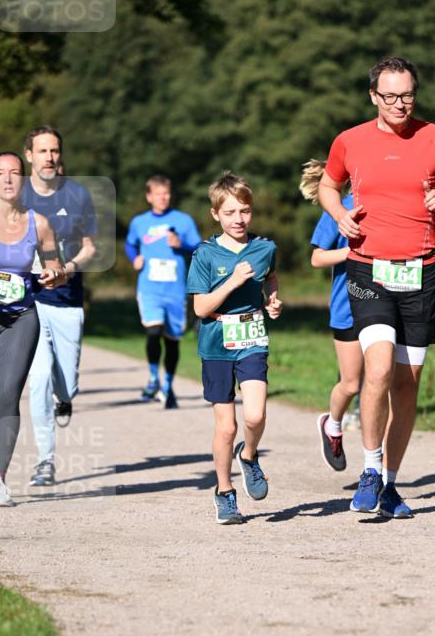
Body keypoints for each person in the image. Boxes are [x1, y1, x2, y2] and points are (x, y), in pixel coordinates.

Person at [319, 55, 435, 517]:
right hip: (369, 269)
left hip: (420, 270)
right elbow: (329, 187)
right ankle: (369, 468)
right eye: (390, 96)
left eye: (407, 94)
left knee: (407, 385)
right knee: (379, 368)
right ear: (373, 96)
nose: (400, 103)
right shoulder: (349, 141)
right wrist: (340, 215)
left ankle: (389, 484)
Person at [0, 151, 66, 506]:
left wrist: (54, 273)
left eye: (15, 173)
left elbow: (55, 263)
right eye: (1, 173)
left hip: (21, 316)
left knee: (6, 395)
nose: (8, 179)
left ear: (23, 180)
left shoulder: (40, 223)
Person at [187, 171, 283, 525]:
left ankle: (250, 455)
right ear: (216, 214)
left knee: (255, 416)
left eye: (244, 211)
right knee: (226, 427)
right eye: (229, 213)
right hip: (216, 343)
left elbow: (270, 274)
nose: (238, 219)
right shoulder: (205, 254)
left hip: (253, 339)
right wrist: (233, 281)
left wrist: (272, 299)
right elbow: (200, 308)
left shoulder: (265, 247)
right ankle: (224, 492)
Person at [22, 126, 97, 487]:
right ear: (29, 156)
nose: (49, 157)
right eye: (42, 151)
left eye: (54, 151)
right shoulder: (15, 195)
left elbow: (90, 248)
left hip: (67, 301)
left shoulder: (78, 194)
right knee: (37, 380)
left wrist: (65, 269)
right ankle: (45, 462)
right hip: (29, 302)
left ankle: (64, 397)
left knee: (66, 384)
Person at [299, 159, 363, 472]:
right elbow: (317, 258)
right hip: (349, 305)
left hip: (391, 305)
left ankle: (376, 469)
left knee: (386, 384)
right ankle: (332, 424)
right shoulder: (339, 207)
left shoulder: (394, 206)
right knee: (351, 384)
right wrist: (356, 254)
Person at [125, 175, 201, 408]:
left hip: (175, 290)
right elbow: (130, 244)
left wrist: (182, 245)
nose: (163, 197)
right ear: (149, 196)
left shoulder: (183, 220)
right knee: (153, 331)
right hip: (149, 288)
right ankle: (152, 377)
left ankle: (168, 385)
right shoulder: (139, 222)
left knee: (172, 340)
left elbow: (199, 247)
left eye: (166, 193)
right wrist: (134, 258)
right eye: (158, 194)